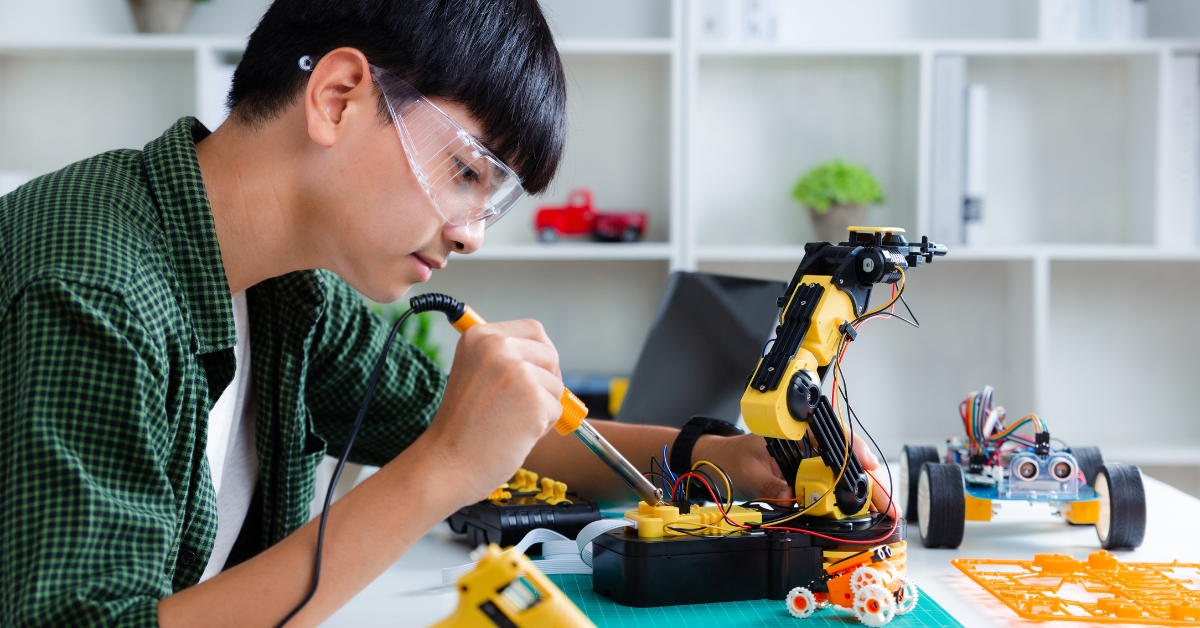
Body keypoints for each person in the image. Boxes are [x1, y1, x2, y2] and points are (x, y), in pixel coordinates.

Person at [0, 1, 895, 625]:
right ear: (338, 96)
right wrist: (439, 470)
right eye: (469, 173)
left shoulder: (284, 283)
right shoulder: (91, 292)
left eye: (494, 200)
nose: (470, 235)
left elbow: (487, 431)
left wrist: (720, 459)